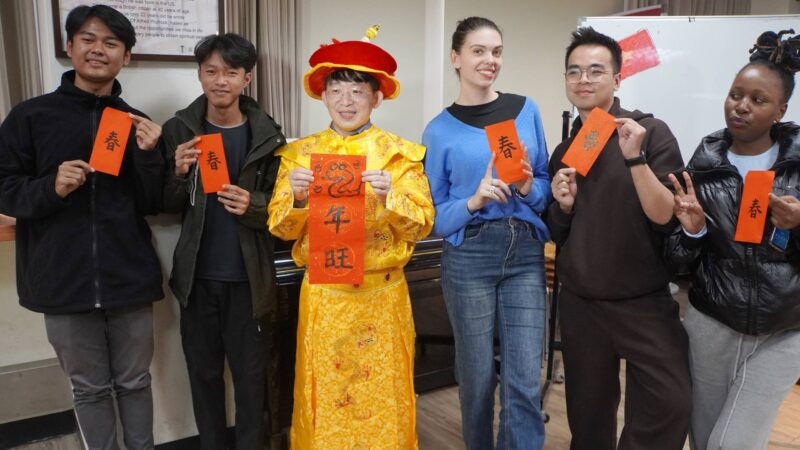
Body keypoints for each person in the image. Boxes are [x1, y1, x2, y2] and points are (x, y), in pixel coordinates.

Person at [0, 5, 163, 450]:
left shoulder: (135, 122)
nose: (98, 50)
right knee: (89, 389)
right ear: (69, 46)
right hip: (62, 278)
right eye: (88, 39)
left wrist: (150, 155)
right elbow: (5, 190)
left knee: (136, 382)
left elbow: (153, 203)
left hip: (128, 277)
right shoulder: (30, 117)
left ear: (125, 56)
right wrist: (50, 187)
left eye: (111, 43)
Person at [267, 28, 434, 450]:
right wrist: (299, 199)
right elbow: (280, 228)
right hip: (326, 298)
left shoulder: (399, 155)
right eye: (336, 90)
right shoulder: (300, 156)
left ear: (376, 98)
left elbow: (422, 226)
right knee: (325, 398)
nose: (346, 101)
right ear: (323, 96)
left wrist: (391, 197)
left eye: (357, 91)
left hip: (381, 296)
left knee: (383, 399)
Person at [547, 27, 692, 450]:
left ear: (617, 78)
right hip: (581, 305)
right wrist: (564, 206)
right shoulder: (566, 150)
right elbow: (558, 231)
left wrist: (636, 159)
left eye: (595, 70)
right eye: (574, 71)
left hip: (641, 301)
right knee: (588, 419)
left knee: (670, 401)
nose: (584, 79)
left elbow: (665, 216)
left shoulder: (649, 132)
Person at [666, 32, 800, 450]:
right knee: (705, 439)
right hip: (712, 323)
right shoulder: (703, 167)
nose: (741, 106)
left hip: (785, 327)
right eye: (735, 95)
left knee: (731, 443)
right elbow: (676, 260)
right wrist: (692, 230)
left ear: (780, 110)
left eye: (758, 100)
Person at [422, 17, 551, 450]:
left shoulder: (526, 109)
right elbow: (434, 217)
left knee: (524, 378)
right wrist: (473, 201)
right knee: (476, 379)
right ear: (456, 58)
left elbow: (544, 186)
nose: (489, 60)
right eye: (478, 51)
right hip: (470, 256)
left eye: (496, 51)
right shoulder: (438, 130)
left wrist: (528, 186)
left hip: (525, 252)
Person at [159, 33, 286, 449]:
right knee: (204, 376)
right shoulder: (179, 129)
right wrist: (178, 173)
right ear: (199, 75)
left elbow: (284, 207)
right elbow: (163, 204)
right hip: (197, 280)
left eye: (230, 72)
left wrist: (254, 204)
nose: (220, 81)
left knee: (251, 381)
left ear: (247, 78)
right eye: (211, 71)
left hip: (249, 281)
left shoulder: (268, 135)